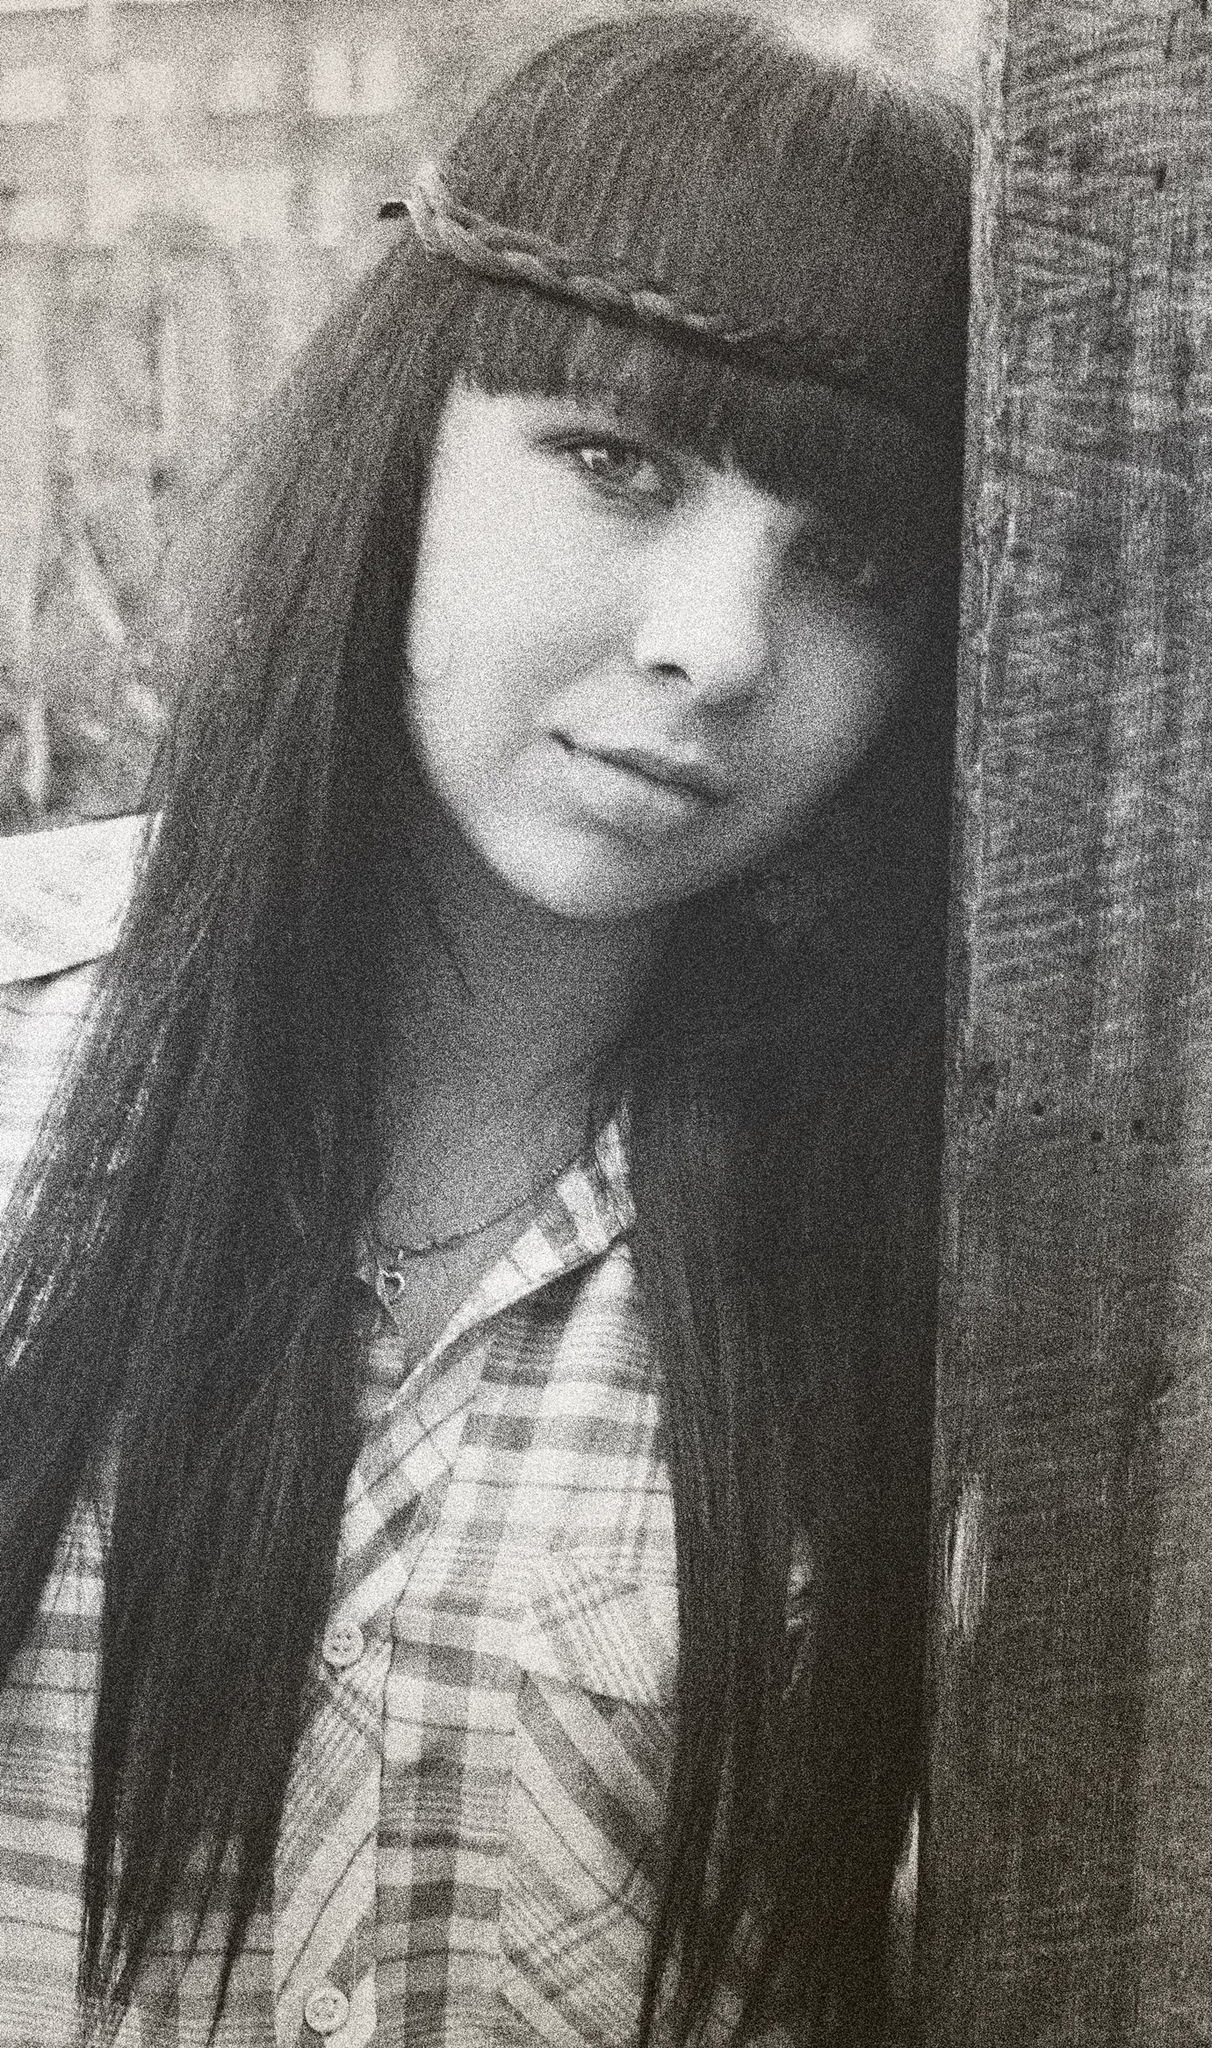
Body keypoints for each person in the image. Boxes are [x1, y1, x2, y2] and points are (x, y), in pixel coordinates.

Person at [0, 11, 970, 2046]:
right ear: (405, 445)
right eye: (617, 468)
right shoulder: (27, 1062)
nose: (713, 645)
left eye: (856, 561)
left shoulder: (958, 1241)